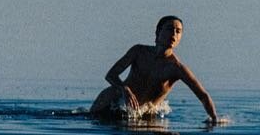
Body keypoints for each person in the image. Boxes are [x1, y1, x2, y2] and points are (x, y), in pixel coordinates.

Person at [90, 15, 221, 124]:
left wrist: (214, 119)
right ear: (158, 32)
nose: (174, 34)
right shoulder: (139, 52)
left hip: (141, 116)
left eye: (178, 31)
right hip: (112, 103)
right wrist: (125, 89)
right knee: (92, 118)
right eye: (170, 29)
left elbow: (203, 95)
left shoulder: (176, 68)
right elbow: (111, 75)